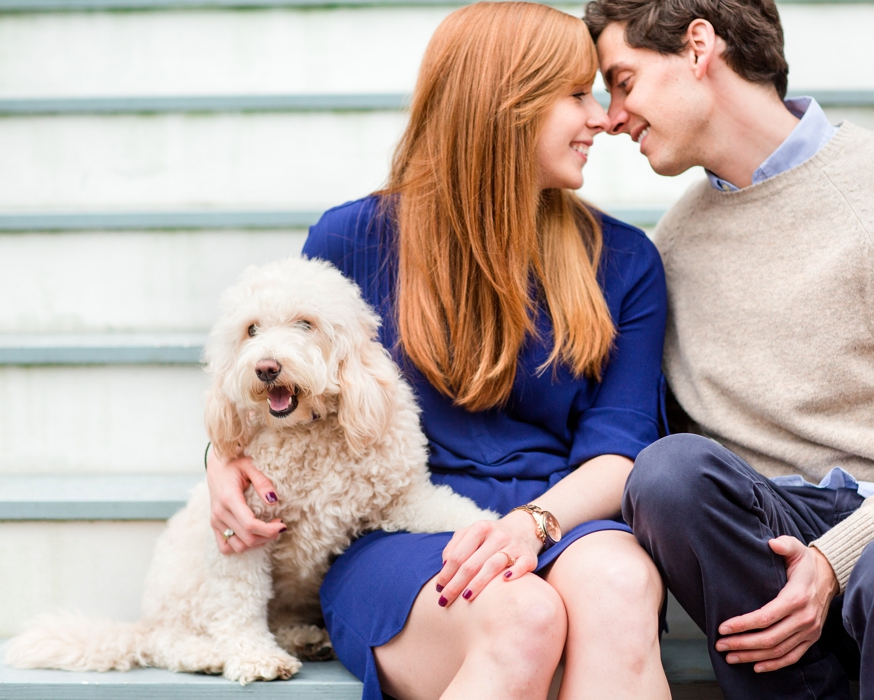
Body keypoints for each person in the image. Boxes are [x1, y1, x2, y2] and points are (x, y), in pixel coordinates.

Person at [205, 3, 673, 699]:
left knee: (620, 583)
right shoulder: (351, 239)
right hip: (394, 528)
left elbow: (621, 448)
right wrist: (221, 459)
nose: (602, 118)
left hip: (565, 517)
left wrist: (532, 525)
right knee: (524, 616)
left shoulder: (626, 260)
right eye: (577, 94)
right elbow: (283, 378)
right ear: (505, 104)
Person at [583, 0, 874, 697]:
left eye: (623, 82)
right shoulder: (671, 249)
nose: (611, 117)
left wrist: (837, 558)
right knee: (668, 473)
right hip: (772, 549)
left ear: (698, 47)